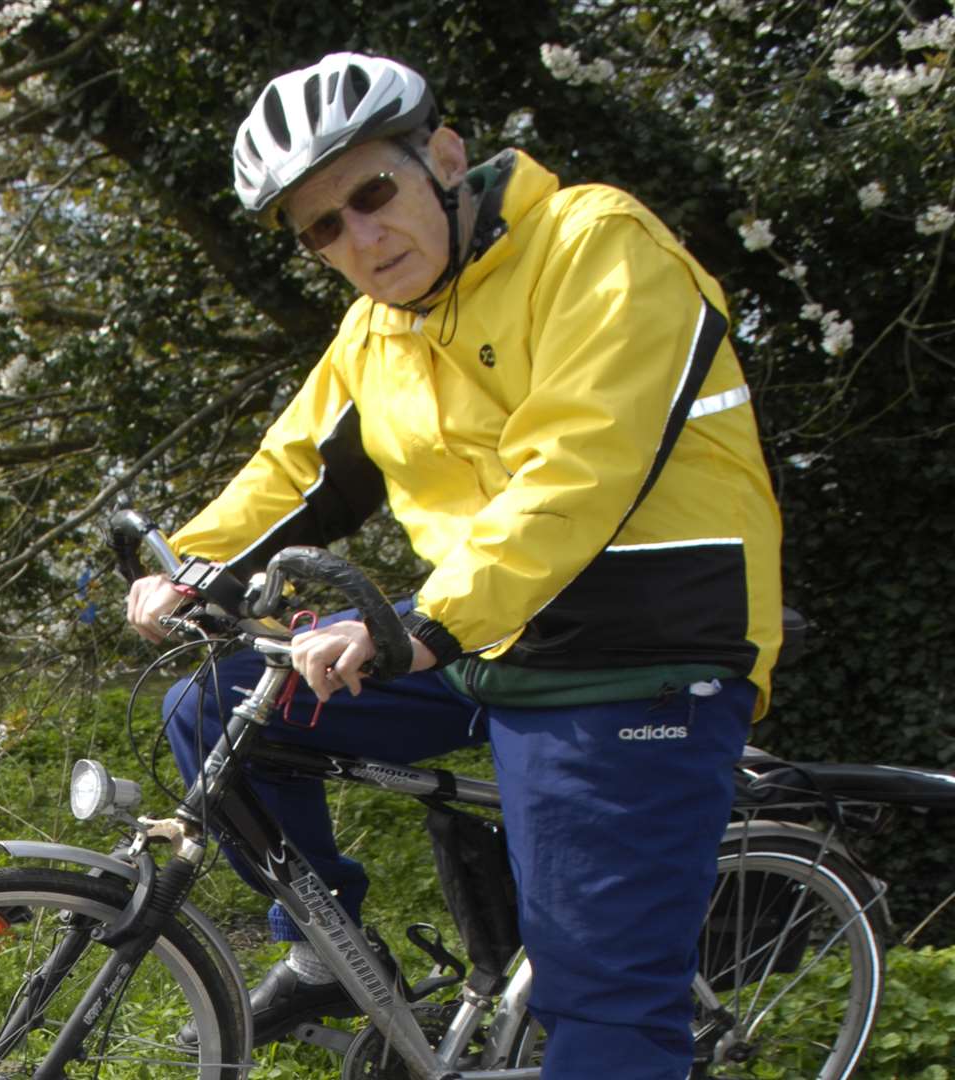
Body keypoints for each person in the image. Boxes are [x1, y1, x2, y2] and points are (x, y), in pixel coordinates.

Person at [126, 53, 782, 1079]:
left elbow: (578, 472)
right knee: (218, 709)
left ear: (443, 155)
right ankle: (326, 953)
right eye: (324, 229)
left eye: (373, 194)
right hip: (481, 634)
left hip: (629, 653)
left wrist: (422, 628)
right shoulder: (377, 329)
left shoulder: (597, 246)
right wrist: (194, 568)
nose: (362, 238)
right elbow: (296, 472)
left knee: (600, 1008)